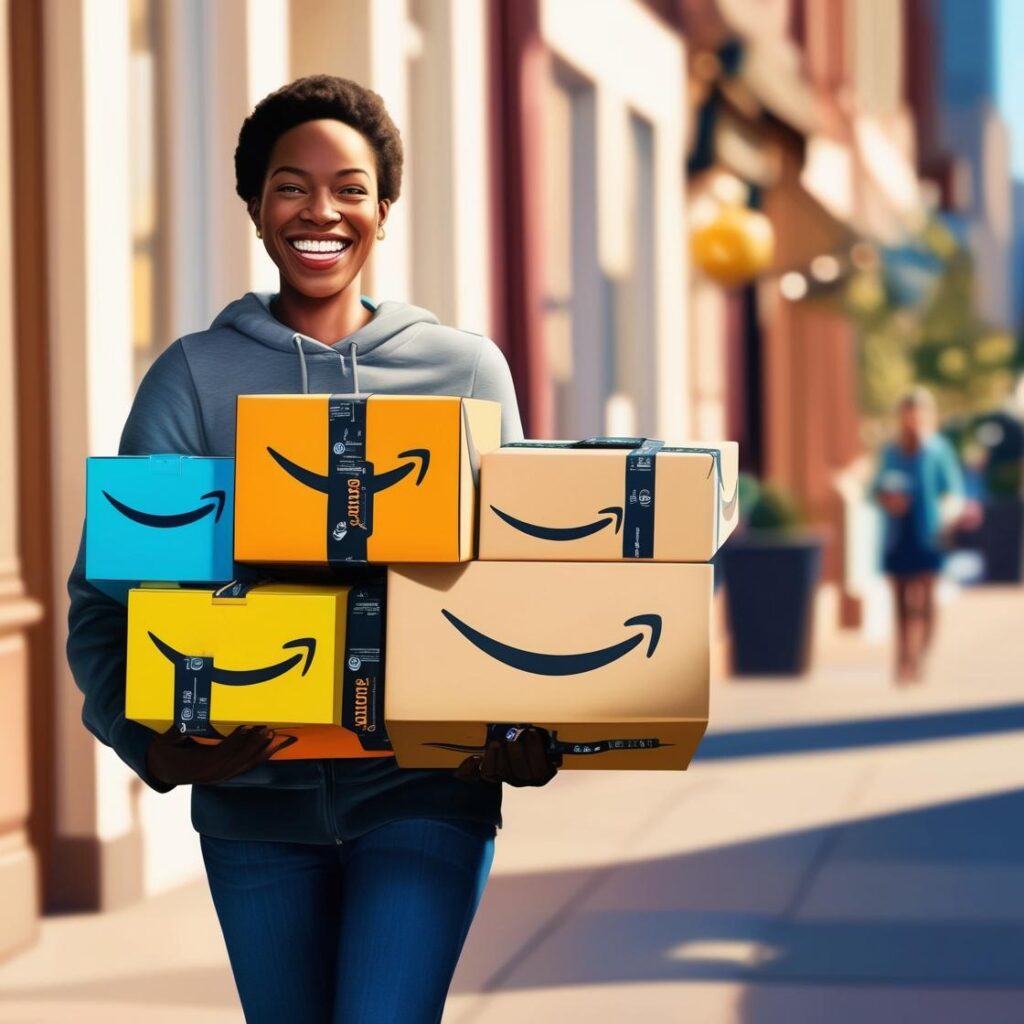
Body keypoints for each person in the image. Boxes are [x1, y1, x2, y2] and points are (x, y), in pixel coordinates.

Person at [66, 74, 559, 1024]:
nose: (320, 210)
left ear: (384, 208)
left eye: (350, 187)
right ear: (255, 207)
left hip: (422, 790)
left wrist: (537, 732)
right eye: (291, 186)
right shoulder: (195, 380)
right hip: (254, 803)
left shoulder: (463, 371)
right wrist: (154, 748)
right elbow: (105, 598)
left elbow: (517, 585)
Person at [871, 386, 964, 683]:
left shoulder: (938, 449)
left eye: (918, 412)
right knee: (900, 600)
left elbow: (953, 491)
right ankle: (902, 658)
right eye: (908, 412)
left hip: (929, 531)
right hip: (898, 532)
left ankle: (920, 657)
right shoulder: (891, 450)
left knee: (925, 599)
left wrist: (948, 519)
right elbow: (875, 488)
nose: (913, 418)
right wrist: (886, 498)